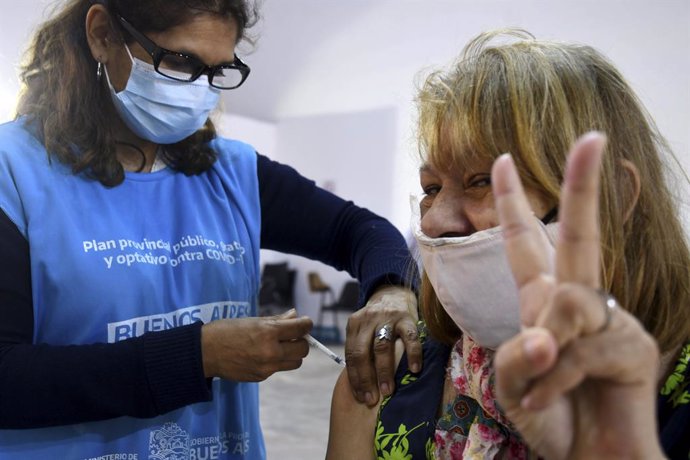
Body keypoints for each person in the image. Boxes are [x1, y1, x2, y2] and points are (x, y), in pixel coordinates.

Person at [0, 0, 421, 458]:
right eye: (179, 62)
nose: (198, 89)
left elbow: (359, 230)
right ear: (102, 35)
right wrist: (199, 356)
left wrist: (391, 288)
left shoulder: (231, 173)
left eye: (217, 71)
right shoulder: (14, 174)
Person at [327, 29, 690, 459]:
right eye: (431, 187)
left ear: (608, 196)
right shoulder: (387, 375)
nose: (434, 220)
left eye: (483, 181)